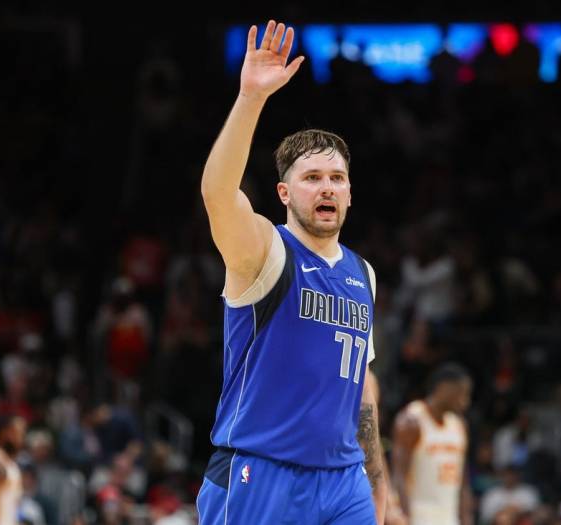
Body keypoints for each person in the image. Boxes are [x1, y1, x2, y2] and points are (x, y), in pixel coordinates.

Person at [196, 20, 386, 524]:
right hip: (262, 471)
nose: (327, 187)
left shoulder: (362, 273)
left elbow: (361, 391)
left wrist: (377, 481)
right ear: (284, 193)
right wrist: (251, 99)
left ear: (349, 192)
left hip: (345, 480)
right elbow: (218, 196)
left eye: (337, 178)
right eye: (312, 178)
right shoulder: (265, 250)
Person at [391, 363, 474, 525]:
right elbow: (399, 476)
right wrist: (405, 518)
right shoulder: (412, 420)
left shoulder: (459, 425)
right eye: (462, 393)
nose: (466, 401)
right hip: (419, 516)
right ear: (444, 388)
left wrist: (466, 517)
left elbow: (463, 481)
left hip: (449, 518)